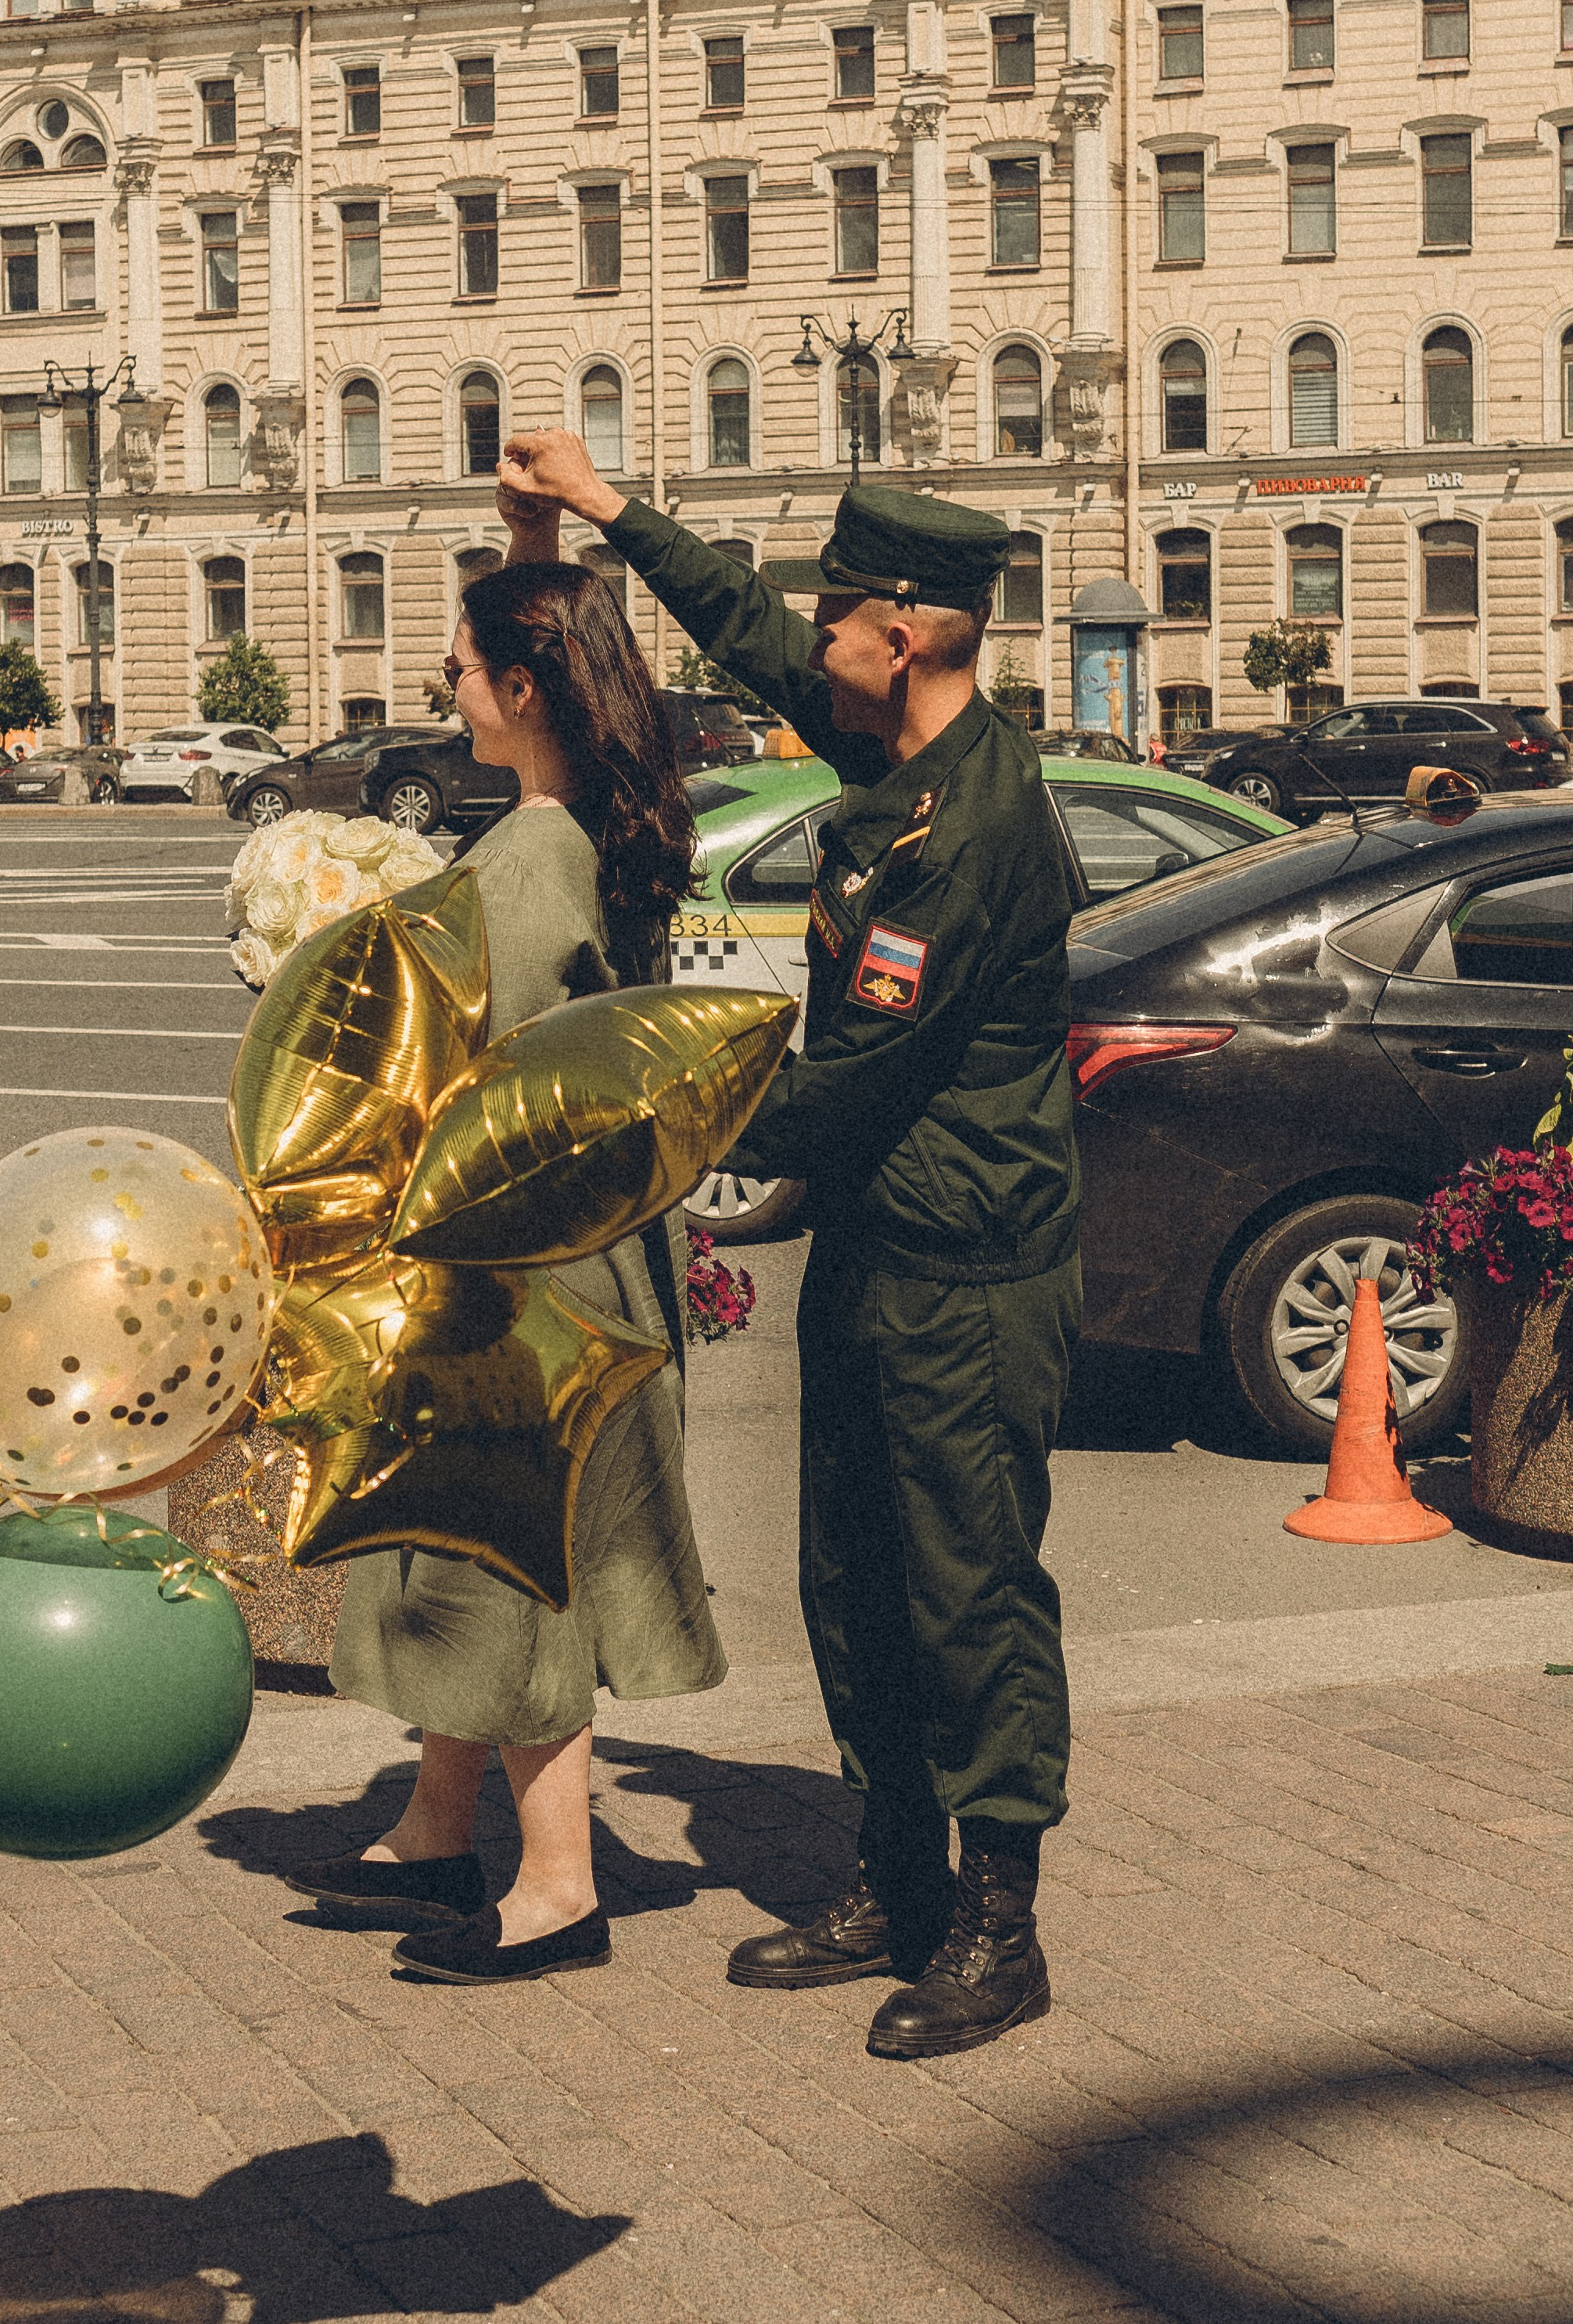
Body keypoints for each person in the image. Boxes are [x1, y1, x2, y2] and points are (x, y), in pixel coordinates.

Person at [497, 432, 1079, 2062]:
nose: (811, 645)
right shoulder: (897, 757)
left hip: (972, 1269)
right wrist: (611, 510)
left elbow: (847, 1094)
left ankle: (996, 1924)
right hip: (889, 1256)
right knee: (855, 1585)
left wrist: (644, 1116)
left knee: (970, 1597)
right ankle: (892, 1880)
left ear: (905, 633)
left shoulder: (969, 828)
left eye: (840, 622)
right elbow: (746, 629)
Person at [283, 543, 724, 1984]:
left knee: (516, 1552)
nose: (445, 682)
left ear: (522, 686)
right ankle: (435, 1825)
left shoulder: (535, 856)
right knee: (476, 1540)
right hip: (568, 1258)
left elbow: (484, 1075)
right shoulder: (583, 821)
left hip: (531, 1273)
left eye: (463, 666)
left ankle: (556, 1883)